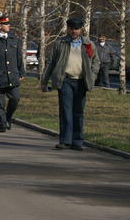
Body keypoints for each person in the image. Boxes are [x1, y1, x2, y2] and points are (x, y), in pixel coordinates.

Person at [41, 17, 100, 150]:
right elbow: (51, 62)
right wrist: (44, 81)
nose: (74, 31)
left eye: (76, 29)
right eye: (71, 29)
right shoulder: (60, 43)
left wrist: (92, 75)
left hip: (81, 81)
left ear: (81, 29)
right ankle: (65, 140)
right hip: (65, 80)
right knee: (66, 111)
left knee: (78, 111)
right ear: (67, 29)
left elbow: (96, 61)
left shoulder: (88, 44)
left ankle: (77, 141)